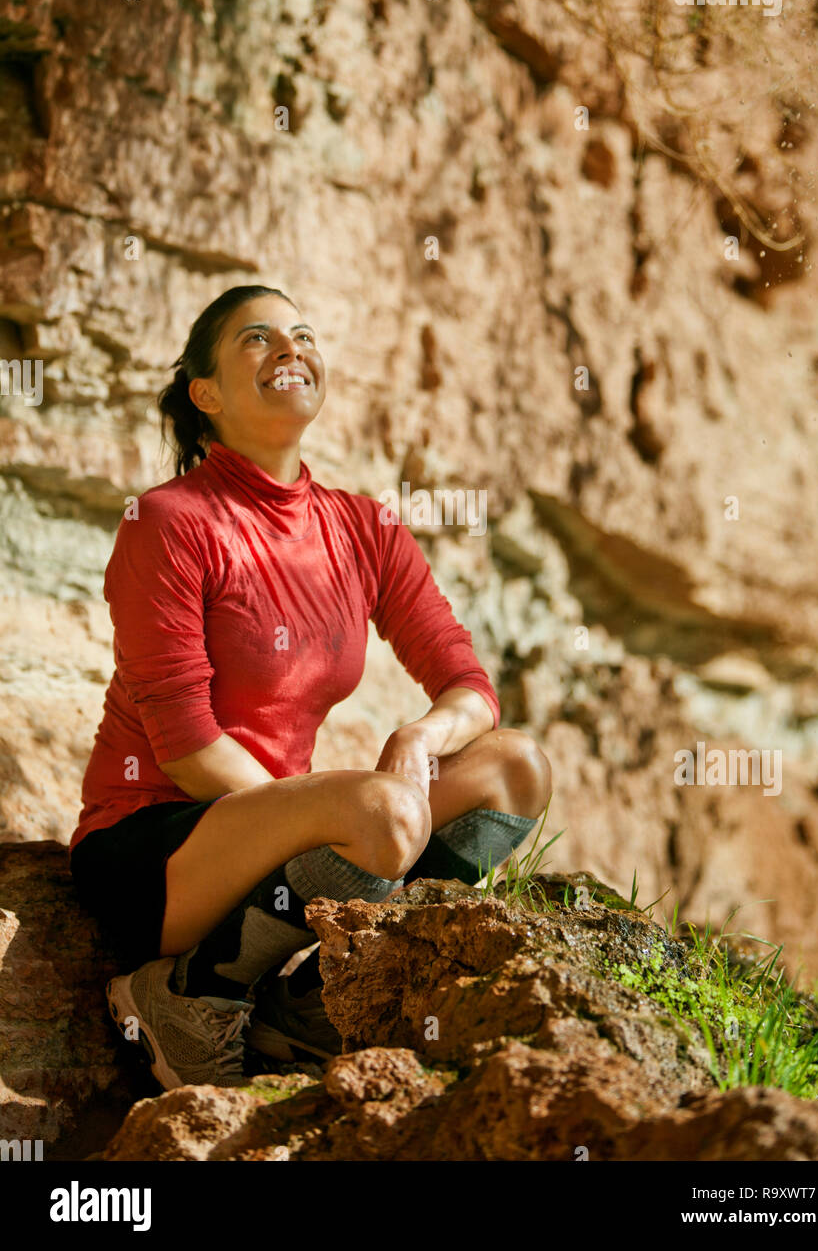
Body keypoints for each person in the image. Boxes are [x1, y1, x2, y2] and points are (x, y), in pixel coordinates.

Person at [68, 284, 553, 1091]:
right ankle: (190, 995)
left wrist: (420, 737)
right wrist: (322, 824)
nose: (291, 348)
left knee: (517, 768)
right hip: (155, 849)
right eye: (257, 340)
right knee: (381, 813)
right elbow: (187, 750)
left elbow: (466, 681)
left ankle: (309, 1004)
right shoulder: (168, 521)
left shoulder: (365, 526)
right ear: (207, 394)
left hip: (276, 827)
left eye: (302, 333)